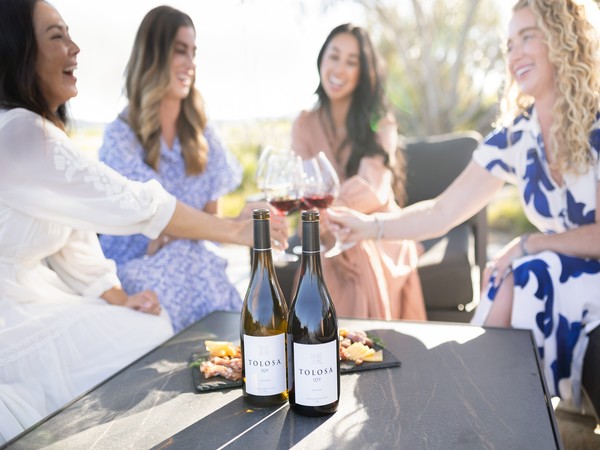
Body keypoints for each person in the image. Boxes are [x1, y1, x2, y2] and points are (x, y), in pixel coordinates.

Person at [0, 0, 285, 442]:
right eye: (57, 36)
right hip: (13, 313)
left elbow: (74, 242)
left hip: (42, 296)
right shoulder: (20, 134)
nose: (75, 47)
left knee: (145, 321)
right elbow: (134, 204)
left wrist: (115, 297)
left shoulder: (39, 132)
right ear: (17, 50)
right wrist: (234, 229)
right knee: (142, 336)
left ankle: (225, 384)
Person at [329, 0, 600, 407]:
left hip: (585, 284)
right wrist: (373, 228)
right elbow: (442, 211)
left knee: (524, 270)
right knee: (519, 274)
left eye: (529, 36)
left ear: (564, 39)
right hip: (559, 284)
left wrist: (527, 245)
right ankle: (488, 405)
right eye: (509, 44)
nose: (516, 54)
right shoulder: (518, 137)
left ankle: (478, 399)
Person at [98, 6, 244, 333]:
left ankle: (229, 357)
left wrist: (190, 231)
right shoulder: (121, 137)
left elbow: (210, 226)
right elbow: (144, 220)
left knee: (199, 261)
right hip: (138, 269)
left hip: (196, 266)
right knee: (190, 264)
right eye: (180, 51)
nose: (190, 64)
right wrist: (190, 230)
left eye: (194, 53)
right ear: (153, 54)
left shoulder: (202, 136)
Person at [291, 24, 426, 321]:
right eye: (334, 56)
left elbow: (373, 188)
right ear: (321, 60)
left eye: (352, 62)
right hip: (323, 231)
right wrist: (325, 224)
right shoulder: (304, 124)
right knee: (323, 256)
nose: (340, 68)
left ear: (364, 71)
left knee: (357, 252)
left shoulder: (380, 122)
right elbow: (301, 190)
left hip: (379, 230)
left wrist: (331, 217)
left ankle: (364, 348)